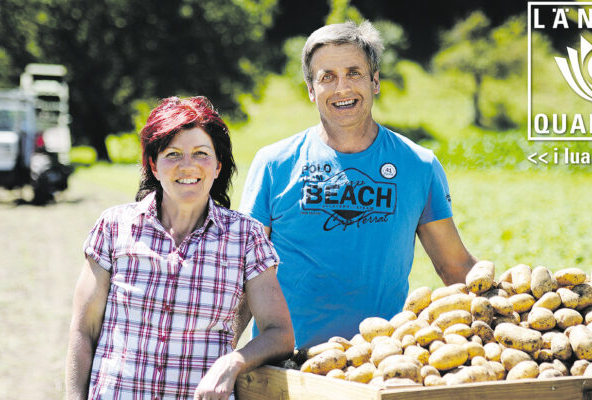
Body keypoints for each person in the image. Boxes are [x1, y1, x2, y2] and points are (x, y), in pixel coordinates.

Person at [238, 21, 477, 349]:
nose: (343, 89)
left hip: (378, 362)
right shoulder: (274, 164)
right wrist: (213, 357)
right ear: (311, 89)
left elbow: (455, 266)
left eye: (354, 73)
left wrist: (517, 306)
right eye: (327, 77)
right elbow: (242, 274)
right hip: (286, 363)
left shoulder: (419, 165)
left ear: (375, 81)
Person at [65, 96, 294, 400]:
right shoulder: (114, 227)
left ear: (217, 166)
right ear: (153, 166)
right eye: (173, 154)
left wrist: (233, 361)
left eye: (201, 153)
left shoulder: (245, 237)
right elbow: (84, 331)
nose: (188, 165)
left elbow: (278, 333)